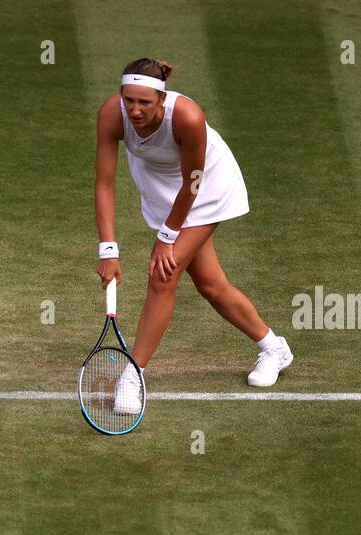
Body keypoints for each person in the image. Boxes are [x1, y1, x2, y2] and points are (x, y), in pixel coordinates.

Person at [94, 57, 293, 406]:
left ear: (161, 99)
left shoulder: (187, 117)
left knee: (162, 275)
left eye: (145, 102)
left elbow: (194, 182)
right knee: (211, 285)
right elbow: (105, 184)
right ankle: (274, 348)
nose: (135, 110)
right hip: (161, 189)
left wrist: (168, 236)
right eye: (129, 100)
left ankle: (131, 375)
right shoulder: (112, 113)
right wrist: (108, 250)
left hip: (205, 187)